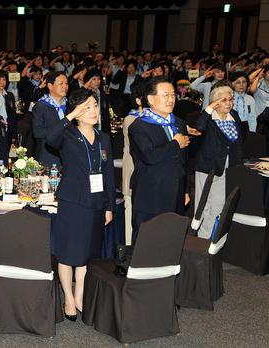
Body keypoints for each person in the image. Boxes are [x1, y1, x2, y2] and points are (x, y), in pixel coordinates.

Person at [46, 88, 115, 320]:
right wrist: (70, 115)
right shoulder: (67, 135)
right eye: (87, 107)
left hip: (96, 201)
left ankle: (80, 294)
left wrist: (109, 206)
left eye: (95, 106)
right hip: (73, 201)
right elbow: (49, 138)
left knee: (87, 253)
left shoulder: (104, 137)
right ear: (76, 111)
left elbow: (108, 174)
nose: (93, 111)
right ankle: (67, 297)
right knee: (68, 252)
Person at [129, 77, 190, 243]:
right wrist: (175, 144)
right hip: (151, 192)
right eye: (165, 95)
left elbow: (184, 160)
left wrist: (186, 189)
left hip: (176, 189)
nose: (171, 99)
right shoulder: (139, 126)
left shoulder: (179, 123)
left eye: (173, 94)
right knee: (148, 238)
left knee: (172, 237)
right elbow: (150, 156)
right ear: (150, 99)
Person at [193, 82, 243, 238]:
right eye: (224, 100)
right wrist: (210, 107)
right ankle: (200, 237)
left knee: (218, 204)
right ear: (215, 102)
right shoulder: (208, 117)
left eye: (230, 99)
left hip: (226, 166)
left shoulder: (233, 115)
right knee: (203, 204)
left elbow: (239, 141)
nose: (229, 103)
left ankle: (211, 237)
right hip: (207, 166)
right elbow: (199, 127)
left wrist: (238, 164)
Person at [121, 82, 146, 245]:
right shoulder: (131, 119)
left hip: (149, 175)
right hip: (134, 172)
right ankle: (130, 253)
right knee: (131, 211)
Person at [32, 71, 69, 167]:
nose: (64, 86)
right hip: (48, 155)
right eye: (61, 83)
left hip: (68, 154)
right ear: (50, 86)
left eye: (66, 83)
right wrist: (61, 129)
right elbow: (37, 132)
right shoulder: (41, 106)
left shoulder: (70, 105)